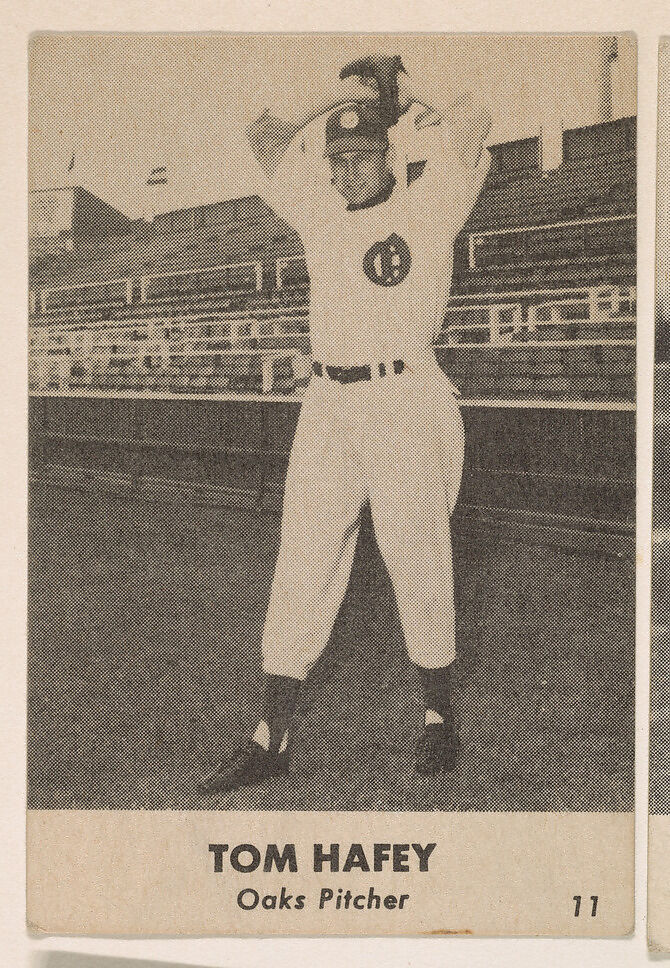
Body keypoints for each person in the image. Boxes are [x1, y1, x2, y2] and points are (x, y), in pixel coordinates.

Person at [197, 53, 491, 795]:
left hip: (404, 399)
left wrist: (404, 90)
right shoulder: (320, 210)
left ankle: (437, 720)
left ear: (389, 153)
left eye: (360, 157)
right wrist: (340, 96)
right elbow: (262, 134)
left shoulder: (431, 204)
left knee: (416, 555)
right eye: (338, 159)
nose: (346, 171)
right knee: (302, 560)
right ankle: (271, 736)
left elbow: (475, 119)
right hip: (328, 403)